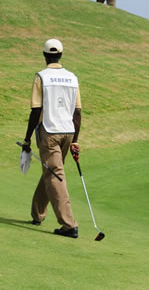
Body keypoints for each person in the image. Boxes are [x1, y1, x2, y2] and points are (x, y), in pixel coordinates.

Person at [20, 38, 82, 238]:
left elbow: (36, 110)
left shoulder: (41, 77)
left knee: (54, 174)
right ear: (61, 55)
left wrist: (28, 138)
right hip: (68, 131)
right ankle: (37, 213)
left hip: (50, 131)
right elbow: (78, 113)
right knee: (52, 171)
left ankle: (69, 225)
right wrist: (74, 140)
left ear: (45, 55)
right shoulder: (72, 77)